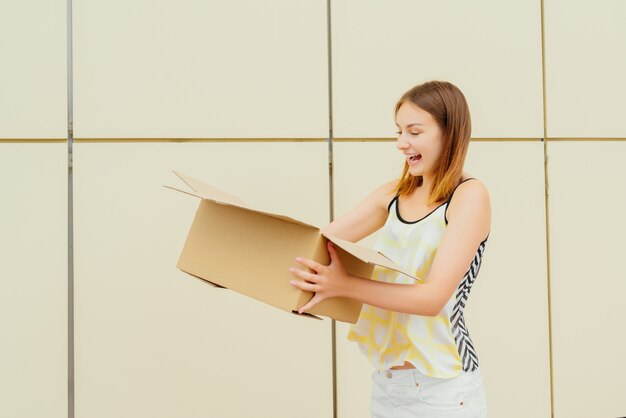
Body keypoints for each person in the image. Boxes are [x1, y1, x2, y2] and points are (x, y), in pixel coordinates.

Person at [289, 80, 490, 417]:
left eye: (413, 131)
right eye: (398, 131)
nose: (401, 143)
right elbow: (315, 246)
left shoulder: (468, 196)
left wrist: (345, 285)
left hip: (444, 388)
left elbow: (432, 298)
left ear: (449, 133)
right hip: (387, 385)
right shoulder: (392, 195)